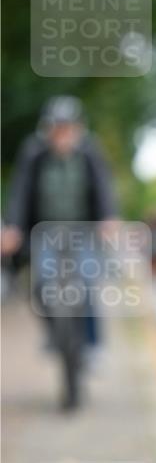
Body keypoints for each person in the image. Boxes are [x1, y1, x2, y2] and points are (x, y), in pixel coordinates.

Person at [1, 96, 118, 406]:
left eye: (68, 129)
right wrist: (13, 227)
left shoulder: (90, 151)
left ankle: (92, 345)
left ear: (78, 129)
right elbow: (20, 192)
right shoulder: (33, 153)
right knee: (41, 285)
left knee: (87, 282)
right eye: (57, 129)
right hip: (46, 232)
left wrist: (108, 218)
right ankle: (54, 335)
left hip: (83, 231)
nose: (63, 135)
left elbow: (103, 187)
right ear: (48, 129)